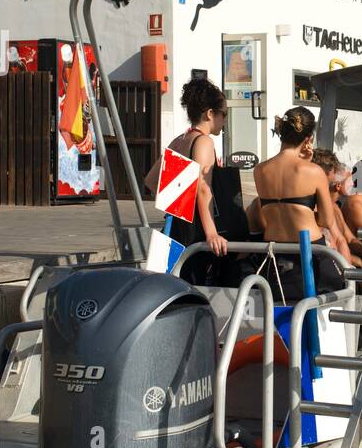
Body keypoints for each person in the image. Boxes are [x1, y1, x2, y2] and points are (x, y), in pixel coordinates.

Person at [144, 77, 238, 283]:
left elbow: (151, 180)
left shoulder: (179, 141)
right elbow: (203, 188)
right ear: (210, 114)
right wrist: (212, 234)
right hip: (197, 230)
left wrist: (179, 199)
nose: (225, 120)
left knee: (173, 283)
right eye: (224, 114)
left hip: (175, 225)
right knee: (200, 285)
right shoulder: (203, 141)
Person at [250, 107, 345, 302]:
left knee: (279, 312)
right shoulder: (314, 172)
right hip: (310, 253)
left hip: (275, 254)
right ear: (309, 139)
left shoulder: (260, 170)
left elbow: (277, 208)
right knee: (339, 301)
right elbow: (326, 220)